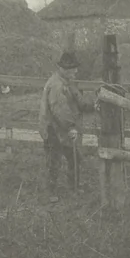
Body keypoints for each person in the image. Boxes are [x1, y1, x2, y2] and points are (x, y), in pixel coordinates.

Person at [40, 50, 85, 201]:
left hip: (59, 128)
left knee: (74, 158)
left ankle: (73, 188)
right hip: (52, 128)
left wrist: (91, 104)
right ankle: (50, 193)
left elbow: (78, 99)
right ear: (65, 69)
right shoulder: (57, 85)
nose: (76, 71)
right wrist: (71, 126)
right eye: (73, 69)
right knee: (54, 160)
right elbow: (59, 109)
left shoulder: (66, 82)